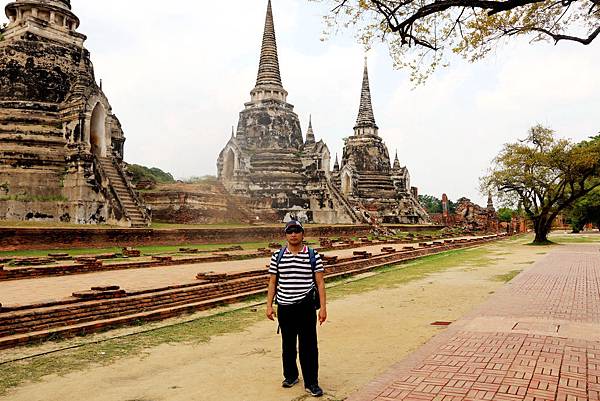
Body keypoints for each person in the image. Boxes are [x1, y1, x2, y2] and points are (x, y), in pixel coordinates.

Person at [266, 220, 327, 397]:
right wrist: (269, 305)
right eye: (290, 231)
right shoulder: (277, 256)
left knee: (309, 345)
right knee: (288, 344)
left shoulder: (312, 255)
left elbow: (320, 282)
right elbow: (272, 282)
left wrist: (323, 308)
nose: (293, 234)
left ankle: (311, 382)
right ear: (285, 235)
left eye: (297, 231)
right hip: (284, 306)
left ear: (302, 234)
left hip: (306, 306)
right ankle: (291, 376)